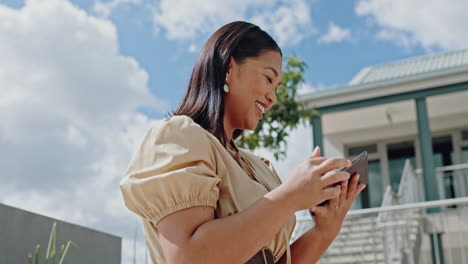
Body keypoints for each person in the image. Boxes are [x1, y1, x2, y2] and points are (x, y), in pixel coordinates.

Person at [120, 21, 366, 264]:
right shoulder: (177, 138)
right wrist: (290, 196)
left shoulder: (260, 168)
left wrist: (325, 230)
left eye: (277, 88)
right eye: (269, 79)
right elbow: (188, 256)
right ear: (229, 68)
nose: (273, 97)